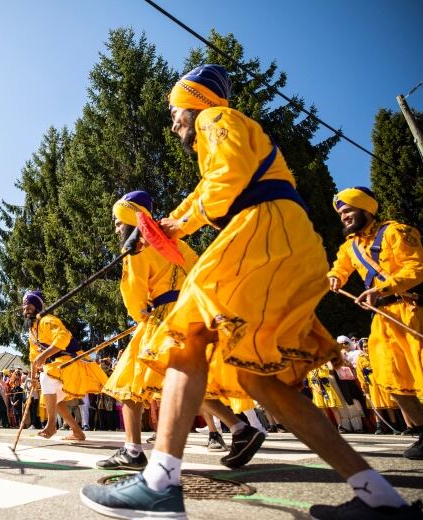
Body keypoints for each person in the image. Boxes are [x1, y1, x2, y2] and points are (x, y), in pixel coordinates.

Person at [80, 65, 420, 519]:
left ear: (194, 100)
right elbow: (209, 187)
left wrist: (177, 224)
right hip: (290, 241)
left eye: (175, 110)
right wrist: (163, 228)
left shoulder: (214, 119)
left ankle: (159, 482)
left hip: (263, 230)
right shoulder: (227, 132)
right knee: (260, 377)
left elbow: (227, 179)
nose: (174, 120)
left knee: (188, 332)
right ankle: (378, 495)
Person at [97, 191, 197, 470]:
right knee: (187, 378)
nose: (116, 227)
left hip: (160, 318)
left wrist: (140, 313)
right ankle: (240, 428)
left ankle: (132, 450)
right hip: (188, 314)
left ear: (130, 217)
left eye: (118, 221)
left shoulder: (137, 246)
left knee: (129, 380)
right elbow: (197, 270)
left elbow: (134, 293)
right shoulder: (177, 241)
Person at [328, 187, 423, 459]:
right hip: (382, 319)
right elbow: (339, 266)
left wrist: (382, 289)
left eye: (348, 210)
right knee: (390, 380)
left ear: (366, 209)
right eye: (341, 213)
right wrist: (335, 277)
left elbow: (416, 267)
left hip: (411, 310)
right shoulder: (350, 246)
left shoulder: (397, 232)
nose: (344, 216)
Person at [24, 290, 107, 441]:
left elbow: (64, 337)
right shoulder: (32, 331)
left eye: (28, 306)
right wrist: (32, 378)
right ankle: (77, 432)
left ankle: (51, 425)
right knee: (55, 400)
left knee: (46, 376)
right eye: (24, 307)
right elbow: (33, 357)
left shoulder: (47, 320)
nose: (25, 309)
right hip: (61, 366)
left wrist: (44, 355)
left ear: (37, 306)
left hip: (73, 362)